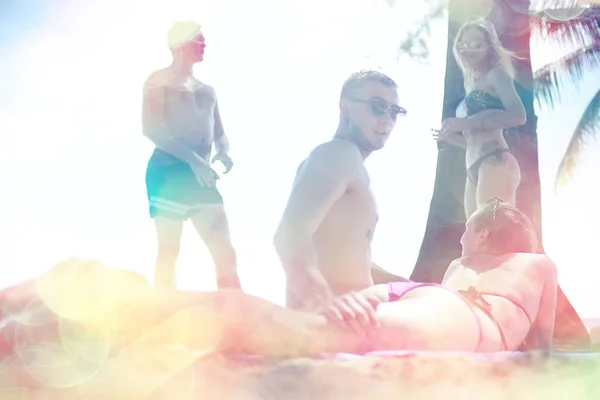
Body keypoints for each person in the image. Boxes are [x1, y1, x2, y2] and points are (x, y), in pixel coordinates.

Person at [0, 199, 556, 359]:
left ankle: (76, 296)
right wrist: (353, 298)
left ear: (484, 235)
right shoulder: (486, 274)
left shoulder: (528, 263)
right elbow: (542, 342)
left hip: (445, 317)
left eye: (467, 233)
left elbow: (545, 343)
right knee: (249, 319)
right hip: (438, 315)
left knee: (234, 314)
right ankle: (67, 307)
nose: (460, 239)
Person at [272, 70, 407, 311]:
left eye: (394, 112)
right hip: (326, 330)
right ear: (345, 108)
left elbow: (344, 258)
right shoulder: (337, 154)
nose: (387, 119)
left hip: (351, 327)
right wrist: (321, 303)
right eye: (377, 107)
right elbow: (289, 234)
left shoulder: (351, 165)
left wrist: (410, 286)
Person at [142, 21, 241, 290]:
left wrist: (223, 153)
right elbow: (151, 129)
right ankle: (161, 309)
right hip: (168, 171)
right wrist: (194, 161)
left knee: (225, 252)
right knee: (170, 250)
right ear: (179, 44)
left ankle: (237, 315)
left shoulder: (207, 91)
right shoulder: (158, 80)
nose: (204, 44)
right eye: (199, 40)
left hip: (203, 176)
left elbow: (219, 133)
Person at [433, 17, 526, 218]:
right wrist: (452, 138)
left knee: (491, 236)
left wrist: (465, 122)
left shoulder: (497, 75)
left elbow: (519, 115)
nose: (468, 48)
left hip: (495, 159)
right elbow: (472, 140)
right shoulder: (470, 85)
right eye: (463, 43)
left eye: (476, 44)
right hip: (473, 167)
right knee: (474, 237)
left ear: (489, 46)